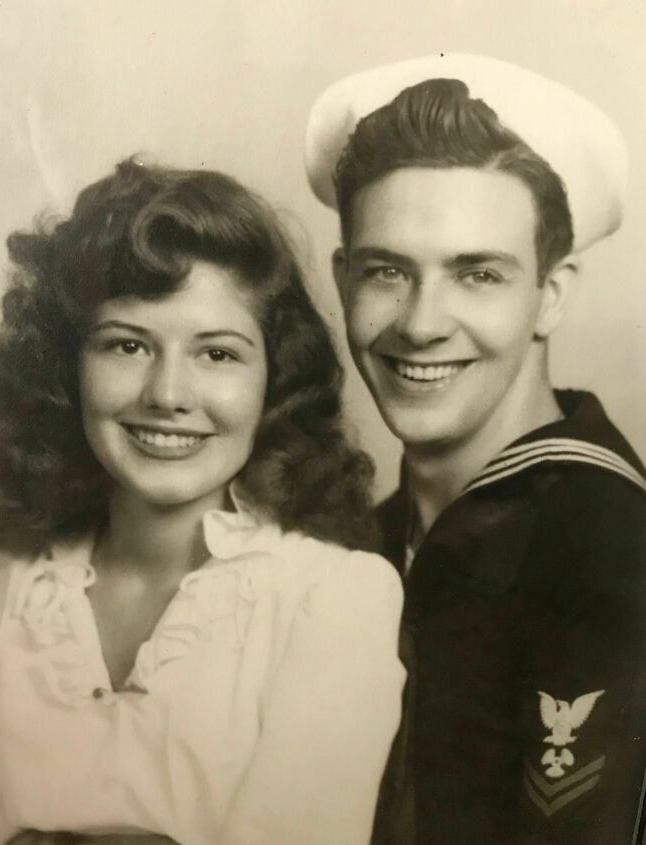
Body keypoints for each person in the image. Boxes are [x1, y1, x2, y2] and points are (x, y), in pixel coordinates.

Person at [0, 157, 406, 845]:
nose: (167, 394)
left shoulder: (336, 597)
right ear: (65, 371)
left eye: (217, 354)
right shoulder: (3, 607)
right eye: (127, 344)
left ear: (273, 384)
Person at [305, 54, 646, 844]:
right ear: (342, 276)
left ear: (550, 295)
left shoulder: (609, 544)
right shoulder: (354, 539)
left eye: (477, 274)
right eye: (388, 271)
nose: (421, 323)